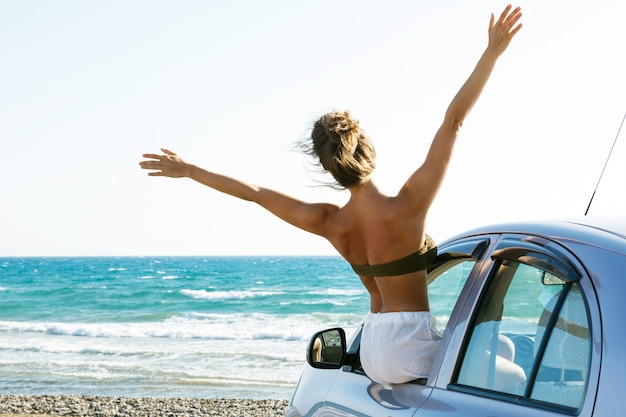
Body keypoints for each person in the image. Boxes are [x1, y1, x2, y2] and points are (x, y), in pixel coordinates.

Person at [139, 5, 522, 385]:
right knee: (516, 374)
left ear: (328, 166)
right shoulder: (408, 206)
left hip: (372, 346)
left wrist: (190, 170)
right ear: (368, 149)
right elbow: (452, 122)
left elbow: (255, 194)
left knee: (500, 349)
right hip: (407, 345)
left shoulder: (330, 222)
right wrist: (491, 53)